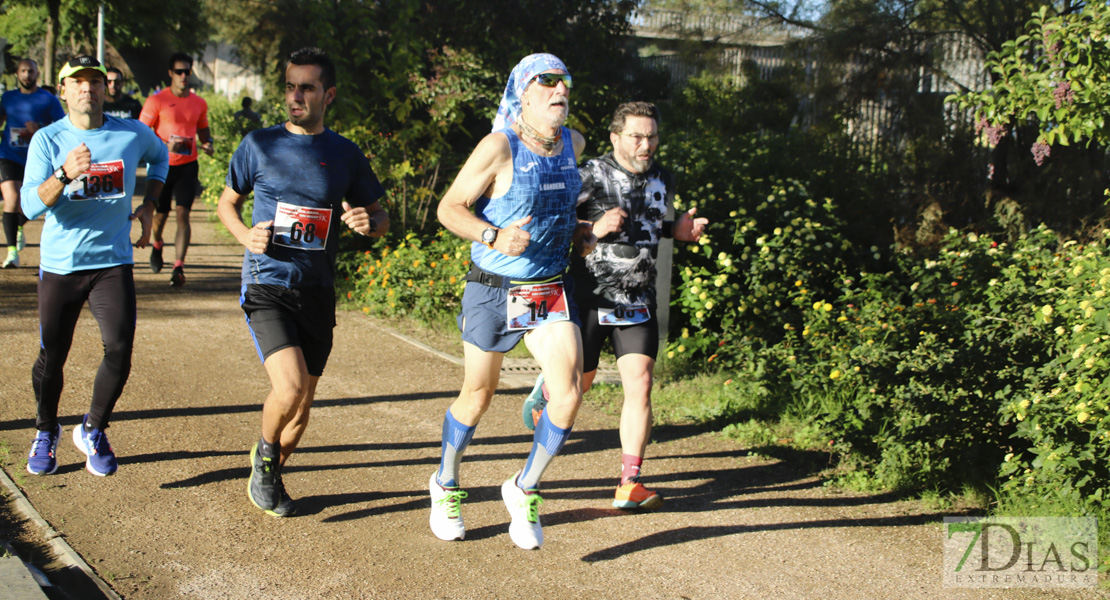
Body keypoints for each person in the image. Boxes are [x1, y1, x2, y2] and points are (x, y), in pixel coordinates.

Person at [431, 53, 595, 550]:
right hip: (493, 286)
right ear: (522, 93)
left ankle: (524, 487)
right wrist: (492, 235)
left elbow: (559, 207)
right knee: (478, 396)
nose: (558, 89)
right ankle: (445, 482)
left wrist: (582, 231)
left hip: (545, 288)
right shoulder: (498, 146)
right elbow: (448, 208)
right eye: (545, 82)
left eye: (564, 80)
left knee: (567, 396)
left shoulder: (576, 143)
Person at [216, 47, 389, 518]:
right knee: (288, 389)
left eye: (306, 88)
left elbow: (380, 215)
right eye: (290, 86)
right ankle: (266, 456)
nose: (295, 96)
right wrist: (245, 237)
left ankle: (270, 468)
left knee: (303, 404)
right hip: (268, 282)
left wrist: (367, 224)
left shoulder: (344, 153)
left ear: (327, 95)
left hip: (317, 289)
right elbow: (225, 204)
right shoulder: (259, 144)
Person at [522, 101, 708, 511]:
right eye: (637, 136)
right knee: (578, 387)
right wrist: (592, 227)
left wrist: (675, 231)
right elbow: (548, 222)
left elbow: (648, 224)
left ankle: (630, 481)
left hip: (638, 300)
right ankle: (549, 393)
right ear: (616, 137)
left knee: (640, 382)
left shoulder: (663, 178)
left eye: (652, 136)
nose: (646, 144)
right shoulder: (588, 174)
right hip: (588, 297)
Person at [19, 55, 169, 477]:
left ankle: (93, 428)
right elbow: (29, 206)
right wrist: (66, 174)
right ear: (63, 90)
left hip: (112, 262)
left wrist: (150, 204)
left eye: (95, 81)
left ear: (106, 89)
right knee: (53, 355)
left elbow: (162, 159)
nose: (87, 88)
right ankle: (45, 431)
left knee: (120, 349)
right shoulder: (48, 140)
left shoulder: (131, 133)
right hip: (62, 265)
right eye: (77, 81)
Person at [139, 52, 214, 287]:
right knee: (160, 216)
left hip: (188, 166)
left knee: (183, 214)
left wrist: (208, 143)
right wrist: (162, 144)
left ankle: (179, 266)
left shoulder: (199, 102)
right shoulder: (157, 100)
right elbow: (141, 132)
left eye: (187, 72)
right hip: (161, 166)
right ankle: (158, 244)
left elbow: (203, 131)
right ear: (170, 73)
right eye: (179, 72)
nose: (184, 76)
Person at [0, 58, 66, 268]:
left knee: (31, 203)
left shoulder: (47, 99)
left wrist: (39, 128)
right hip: (8, 155)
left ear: (37, 74)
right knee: (11, 198)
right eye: (23, 71)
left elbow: (62, 126)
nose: (27, 75)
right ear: (17, 74)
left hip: (38, 158)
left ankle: (18, 225)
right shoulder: (8, 98)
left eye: (31, 71)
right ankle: (12, 253)